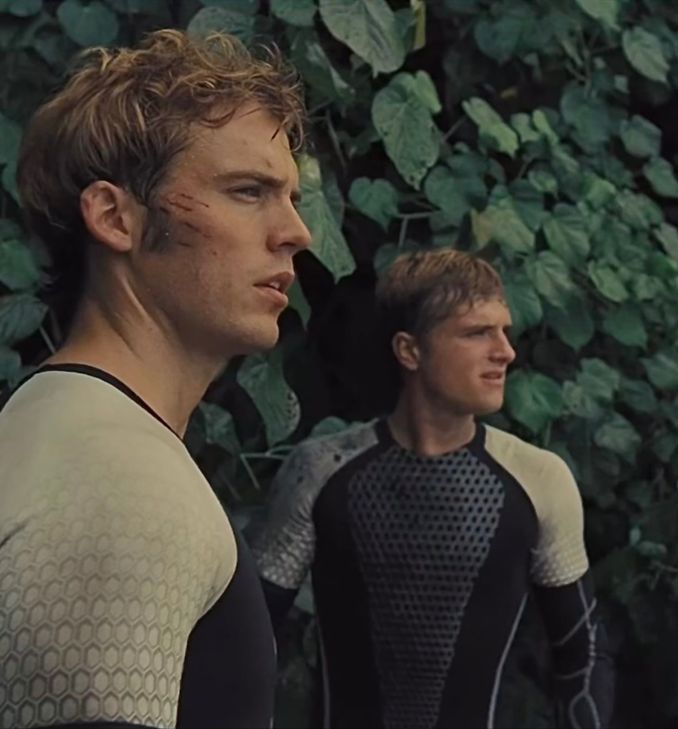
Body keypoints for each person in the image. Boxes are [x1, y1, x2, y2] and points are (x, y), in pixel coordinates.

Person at [0, 29, 310, 729]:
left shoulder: (60, 428)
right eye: (249, 191)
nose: (296, 231)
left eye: (291, 197)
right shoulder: (121, 483)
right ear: (116, 217)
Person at [252, 249, 614, 729]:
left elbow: (583, 655)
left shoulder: (537, 480)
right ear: (410, 351)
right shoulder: (320, 472)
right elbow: (245, 642)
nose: (505, 350)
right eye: (477, 333)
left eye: (504, 331)